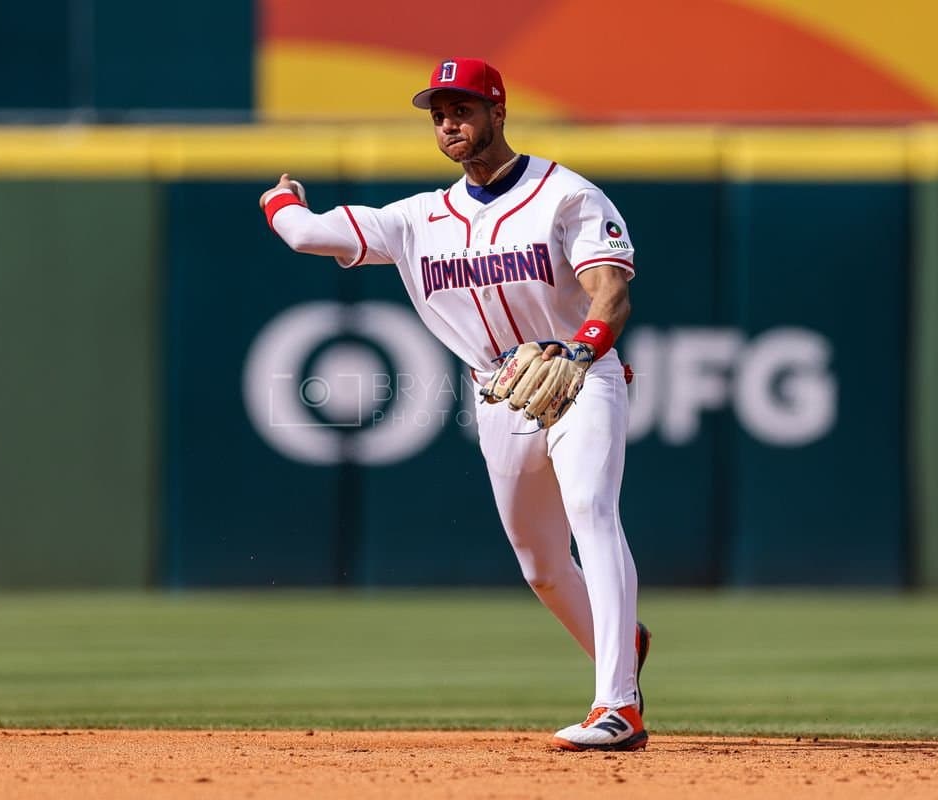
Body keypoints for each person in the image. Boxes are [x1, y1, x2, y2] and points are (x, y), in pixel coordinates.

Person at [260, 57, 650, 752]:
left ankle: (617, 704)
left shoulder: (566, 196)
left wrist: (584, 349)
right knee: (540, 565)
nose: (449, 122)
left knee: (593, 508)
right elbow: (306, 234)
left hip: (576, 375)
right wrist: (280, 201)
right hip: (498, 392)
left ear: (498, 112)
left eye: (463, 108)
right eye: (439, 112)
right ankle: (624, 640)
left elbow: (610, 291)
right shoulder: (417, 220)